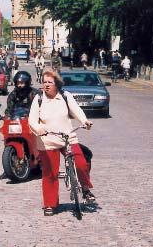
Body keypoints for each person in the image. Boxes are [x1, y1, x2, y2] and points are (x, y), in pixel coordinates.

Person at [28, 69, 95, 216]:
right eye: (44, 82)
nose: (46, 85)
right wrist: (38, 129)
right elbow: (31, 119)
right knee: (50, 173)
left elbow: (76, 110)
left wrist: (85, 121)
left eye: (49, 82)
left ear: (57, 84)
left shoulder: (65, 96)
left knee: (81, 163)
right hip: (47, 139)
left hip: (67, 137)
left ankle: (85, 188)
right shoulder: (38, 98)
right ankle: (50, 204)